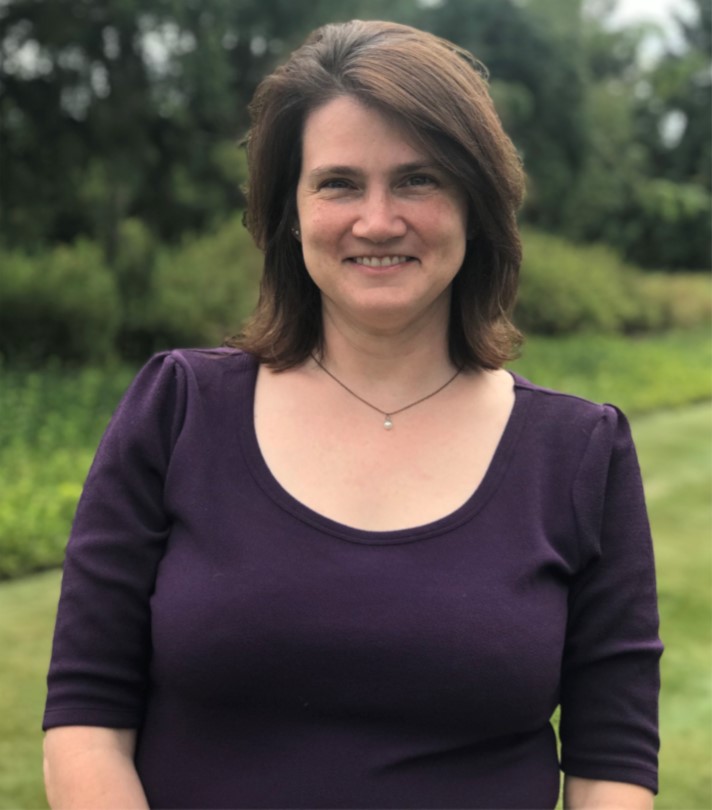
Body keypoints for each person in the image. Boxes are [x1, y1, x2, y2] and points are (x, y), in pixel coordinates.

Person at [42, 19, 662, 810]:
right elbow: (86, 719)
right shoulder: (178, 411)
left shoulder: (579, 453)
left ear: (476, 207)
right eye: (339, 183)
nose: (377, 220)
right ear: (290, 212)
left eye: (418, 180)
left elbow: (613, 763)